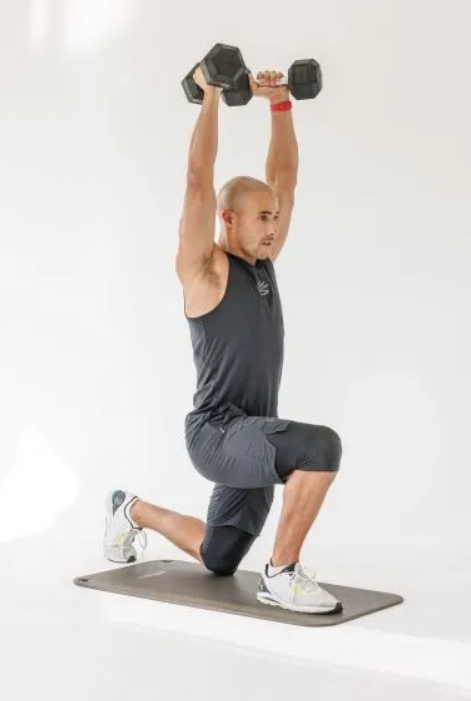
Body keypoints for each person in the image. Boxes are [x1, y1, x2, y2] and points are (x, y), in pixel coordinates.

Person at [103, 65, 343, 614]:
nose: (274, 227)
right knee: (320, 446)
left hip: (253, 438)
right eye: (262, 218)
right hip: (218, 434)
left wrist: (280, 104)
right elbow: (197, 177)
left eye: (276, 218)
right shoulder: (205, 270)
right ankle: (281, 573)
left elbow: (284, 177)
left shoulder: (263, 264)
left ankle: (129, 508)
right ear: (227, 219)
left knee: (219, 555)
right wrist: (210, 93)